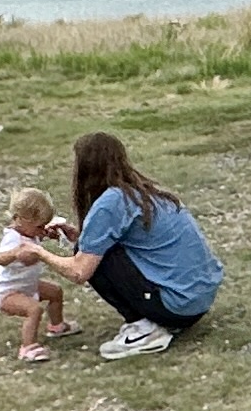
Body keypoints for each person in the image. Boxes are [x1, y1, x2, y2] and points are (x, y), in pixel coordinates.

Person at [39, 130, 223, 359]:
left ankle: (144, 328)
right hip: (198, 300)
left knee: (91, 257)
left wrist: (37, 252)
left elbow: (80, 271)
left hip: (176, 307)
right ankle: (155, 320)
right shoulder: (143, 192)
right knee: (94, 249)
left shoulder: (110, 203)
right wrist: (78, 235)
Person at [0, 186, 73, 363]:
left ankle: (57, 326)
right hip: (9, 292)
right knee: (34, 309)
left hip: (28, 285)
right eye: (39, 226)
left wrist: (49, 233)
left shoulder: (30, 232)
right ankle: (28, 347)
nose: (41, 229)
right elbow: (0, 258)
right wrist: (15, 253)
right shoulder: (13, 238)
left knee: (55, 292)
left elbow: (36, 237)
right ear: (21, 220)